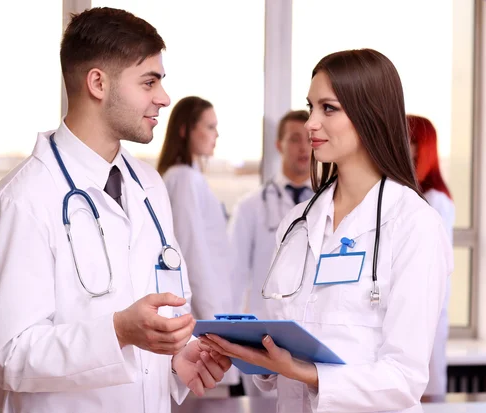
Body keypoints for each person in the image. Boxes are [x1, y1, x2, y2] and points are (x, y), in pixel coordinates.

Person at [0, 8, 230, 413]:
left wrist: (176, 363)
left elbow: (152, 332)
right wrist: (118, 331)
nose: (164, 98)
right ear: (97, 83)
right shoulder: (20, 203)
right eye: (149, 81)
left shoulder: (150, 187)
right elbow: (9, 357)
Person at [199, 49, 453, 413]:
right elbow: (285, 334)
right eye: (310, 108)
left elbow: (405, 379)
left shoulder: (414, 224)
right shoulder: (298, 222)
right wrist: (252, 353)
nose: (310, 124)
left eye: (328, 109)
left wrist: (307, 372)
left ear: (371, 115)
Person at [157, 96, 240, 391]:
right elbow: (192, 257)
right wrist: (217, 327)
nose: (216, 134)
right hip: (205, 326)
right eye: (209, 126)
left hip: (210, 318)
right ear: (184, 130)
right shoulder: (182, 179)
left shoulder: (190, 178)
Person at [228, 110, 312, 397]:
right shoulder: (250, 207)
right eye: (295, 139)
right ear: (279, 145)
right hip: (262, 342)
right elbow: (234, 277)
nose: (304, 148)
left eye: (309, 140)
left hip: (312, 342)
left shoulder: (331, 206)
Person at [408, 114, 455, 401]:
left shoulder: (436, 200)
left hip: (424, 315)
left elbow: (433, 269)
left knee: (424, 397)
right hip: (401, 317)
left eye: (410, 140)